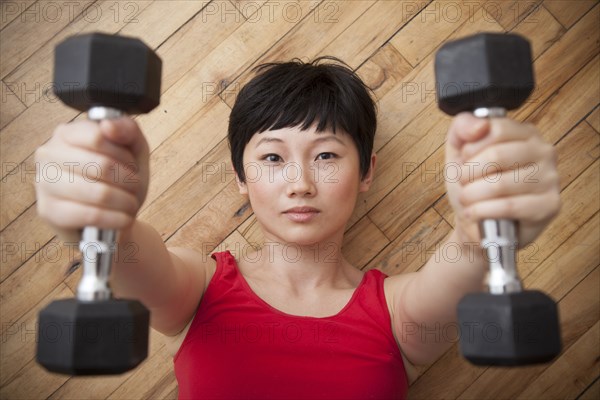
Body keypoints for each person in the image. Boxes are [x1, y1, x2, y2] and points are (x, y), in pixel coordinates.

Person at [34, 57, 560, 399]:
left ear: (367, 172)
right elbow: (135, 258)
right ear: (242, 176)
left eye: (327, 154)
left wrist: (477, 230)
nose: (301, 183)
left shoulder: (397, 311)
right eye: (272, 158)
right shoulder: (199, 290)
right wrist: (109, 217)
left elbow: (463, 262)